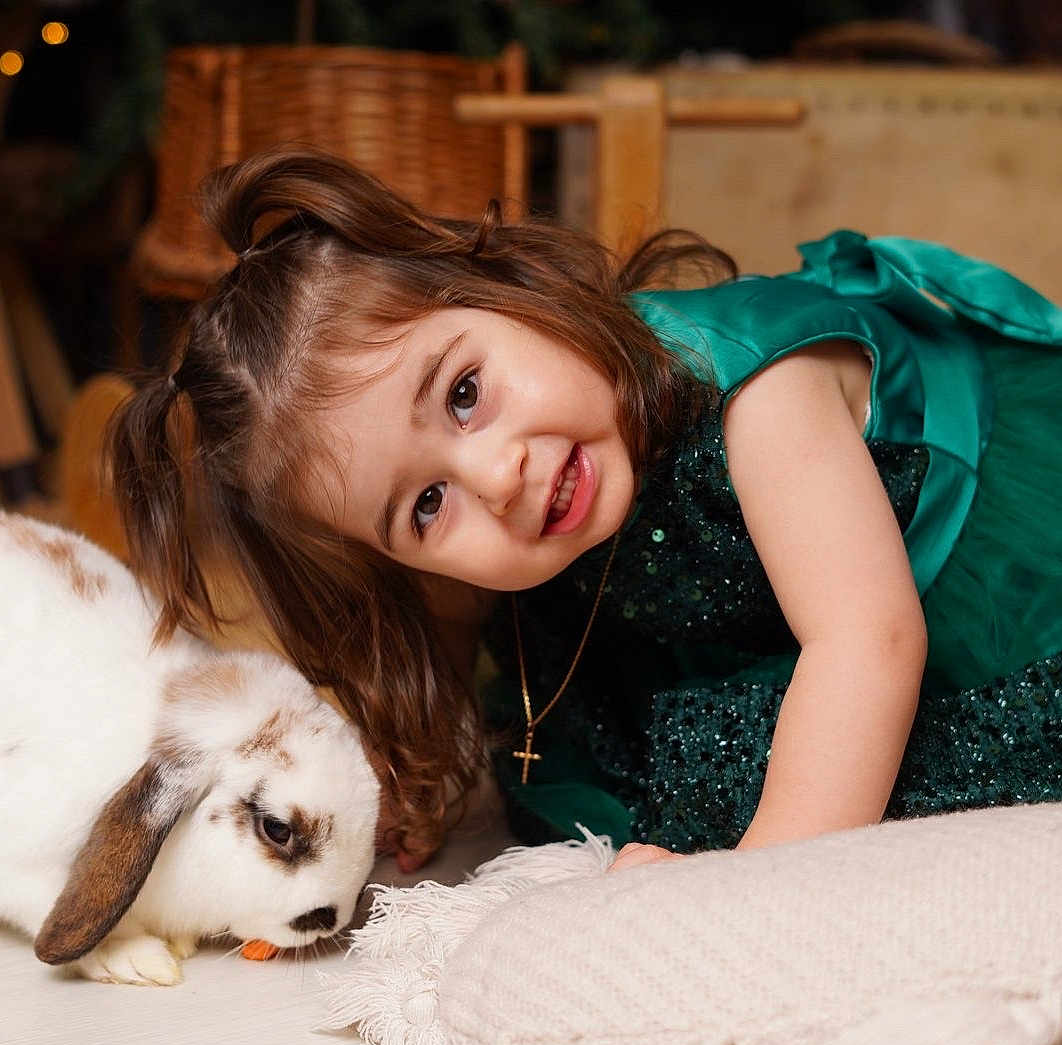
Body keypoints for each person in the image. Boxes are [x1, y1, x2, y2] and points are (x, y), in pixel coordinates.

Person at [108, 147, 1062, 873]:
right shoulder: (539, 482)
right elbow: (447, 623)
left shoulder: (759, 391)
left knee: (864, 766)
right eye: (427, 505)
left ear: (508, 290)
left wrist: (751, 884)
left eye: (465, 393)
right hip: (778, 608)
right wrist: (405, 772)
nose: (498, 478)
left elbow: (867, 643)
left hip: (959, 573)